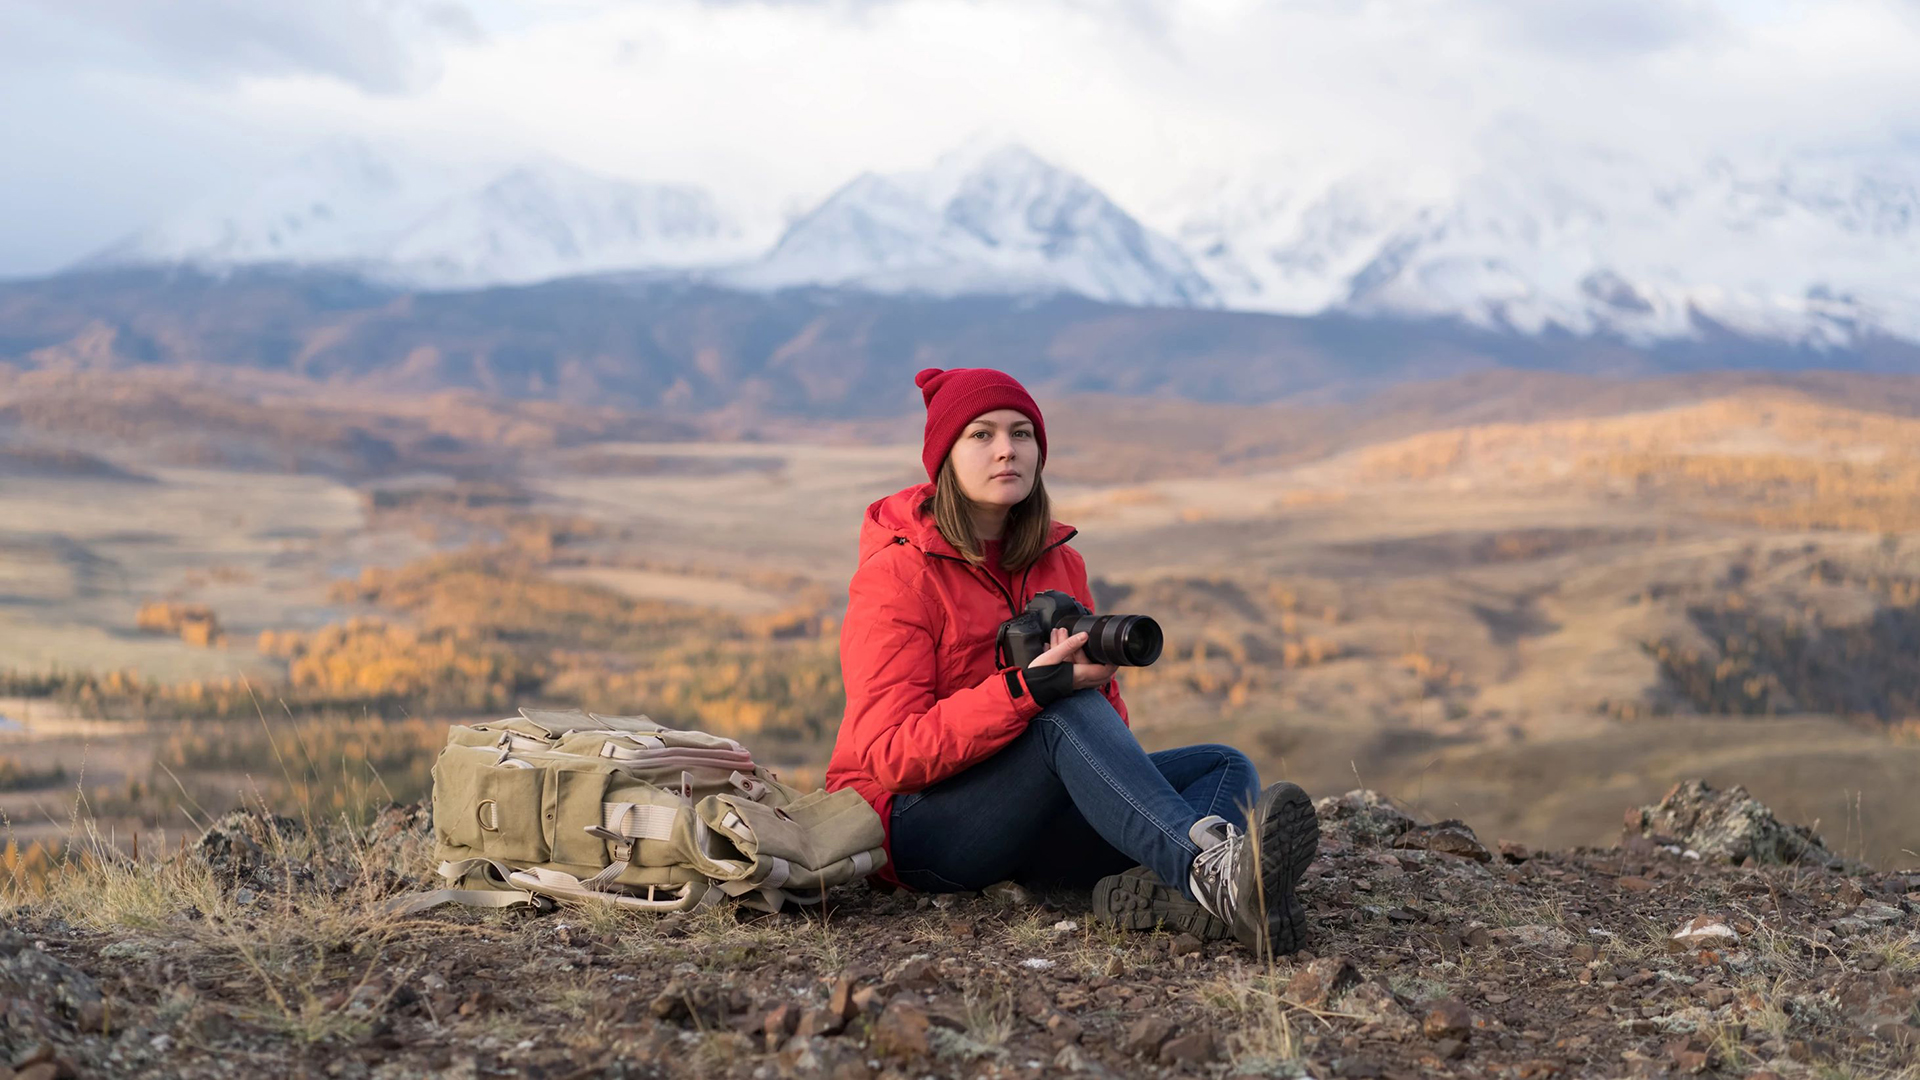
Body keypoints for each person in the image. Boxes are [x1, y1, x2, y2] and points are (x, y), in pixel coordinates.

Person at [825, 367, 1320, 953]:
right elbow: (889, 759)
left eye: (1022, 433)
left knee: (1222, 764)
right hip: (917, 829)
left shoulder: (1058, 561)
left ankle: (1176, 890)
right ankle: (1209, 874)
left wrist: (1094, 686)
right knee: (1058, 710)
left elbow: (1102, 735)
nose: (1007, 449)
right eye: (981, 435)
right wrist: (1026, 690)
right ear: (944, 459)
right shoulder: (899, 574)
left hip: (1028, 819)